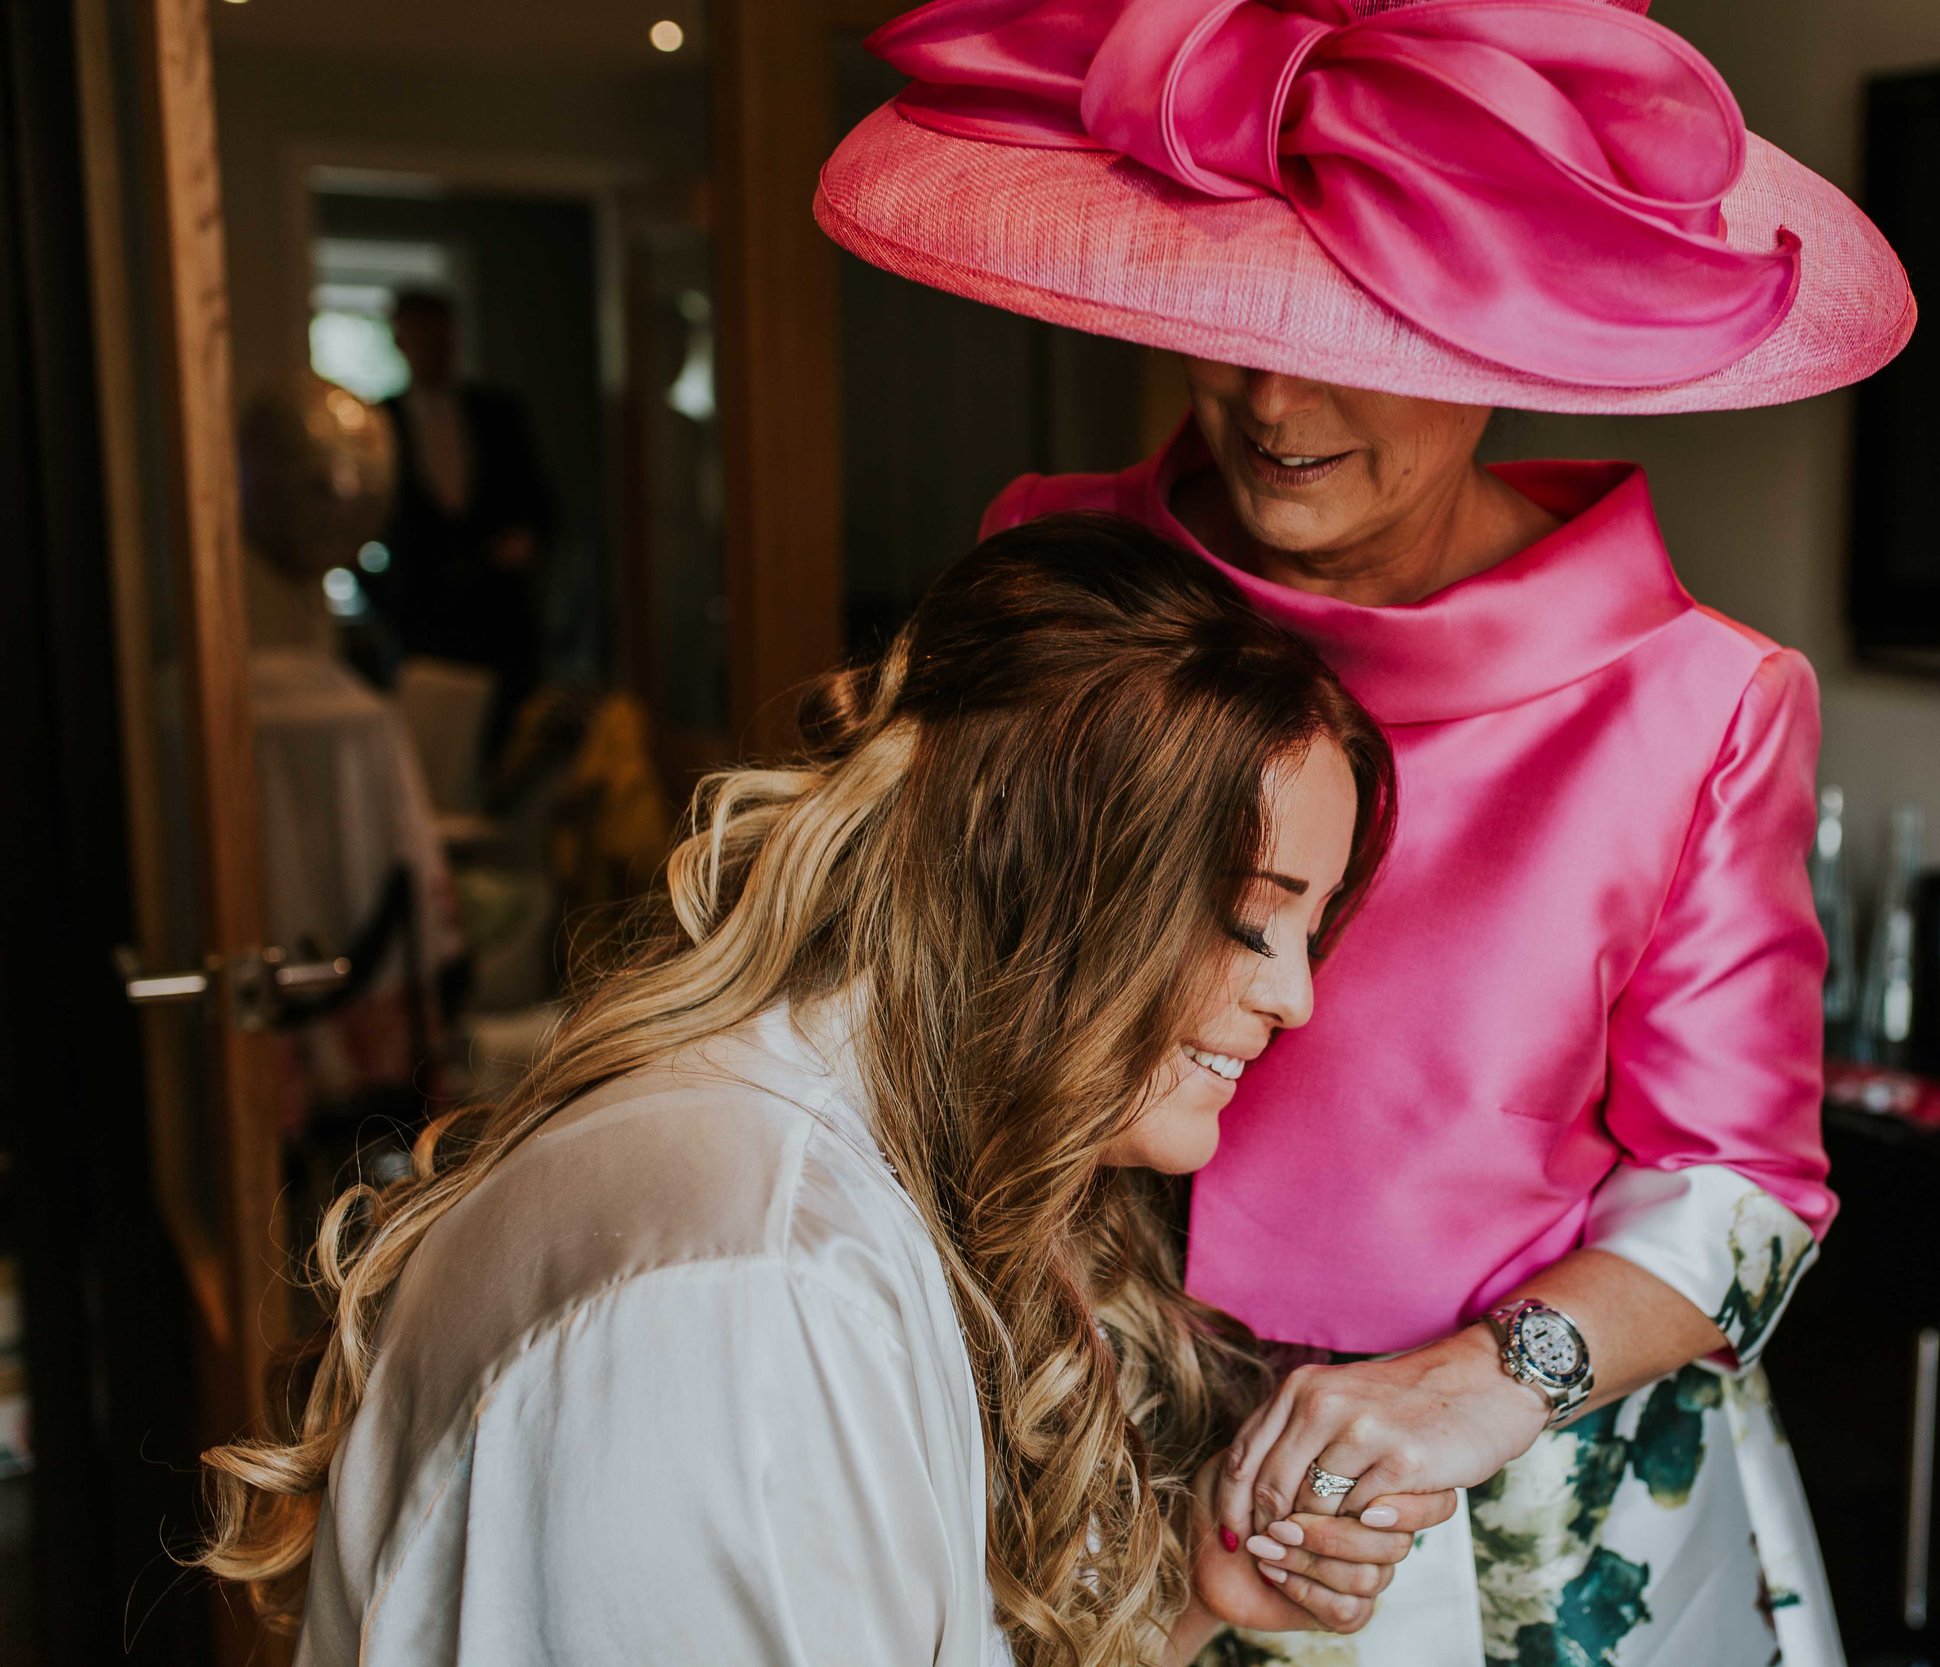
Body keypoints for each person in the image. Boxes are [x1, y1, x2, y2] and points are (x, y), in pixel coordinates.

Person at [816, 0, 1916, 1658]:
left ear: (1513, 336)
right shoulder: (1051, 574)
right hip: (1070, 1422)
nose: (1270, 399)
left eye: (1362, 328)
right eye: (1240, 311)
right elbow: (924, 996)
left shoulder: (1703, 701)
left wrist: (1477, 1387)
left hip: (1499, 1489)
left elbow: (1738, 1185)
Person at [194, 514, 1456, 1666]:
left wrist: (1195, 1595)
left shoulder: (851, 1168)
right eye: (1249, 922)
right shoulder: (747, 1299)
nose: (1295, 998)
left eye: (1309, 931)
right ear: (1047, 883)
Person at [371, 290, 553, 742]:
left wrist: (526, 544)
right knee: (430, 742)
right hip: (422, 622)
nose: (435, 348)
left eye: (442, 337)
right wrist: (387, 602)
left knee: (510, 742)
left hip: (500, 618)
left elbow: (542, 502)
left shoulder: (496, 413)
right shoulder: (380, 422)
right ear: (401, 341)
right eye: (422, 337)